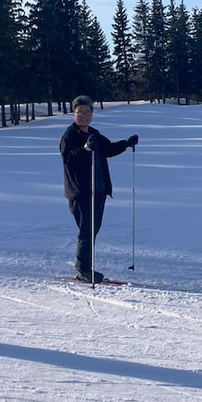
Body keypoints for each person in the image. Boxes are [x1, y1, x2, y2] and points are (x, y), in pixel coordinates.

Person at [59, 95, 138, 283]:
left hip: (99, 190)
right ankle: (83, 269)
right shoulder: (70, 136)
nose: (84, 116)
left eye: (88, 112)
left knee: (93, 230)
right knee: (87, 230)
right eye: (80, 112)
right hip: (81, 193)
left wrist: (126, 143)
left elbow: (108, 149)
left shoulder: (93, 133)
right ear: (73, 113)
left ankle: (85, 266)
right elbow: (68, 159)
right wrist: (85, 149)